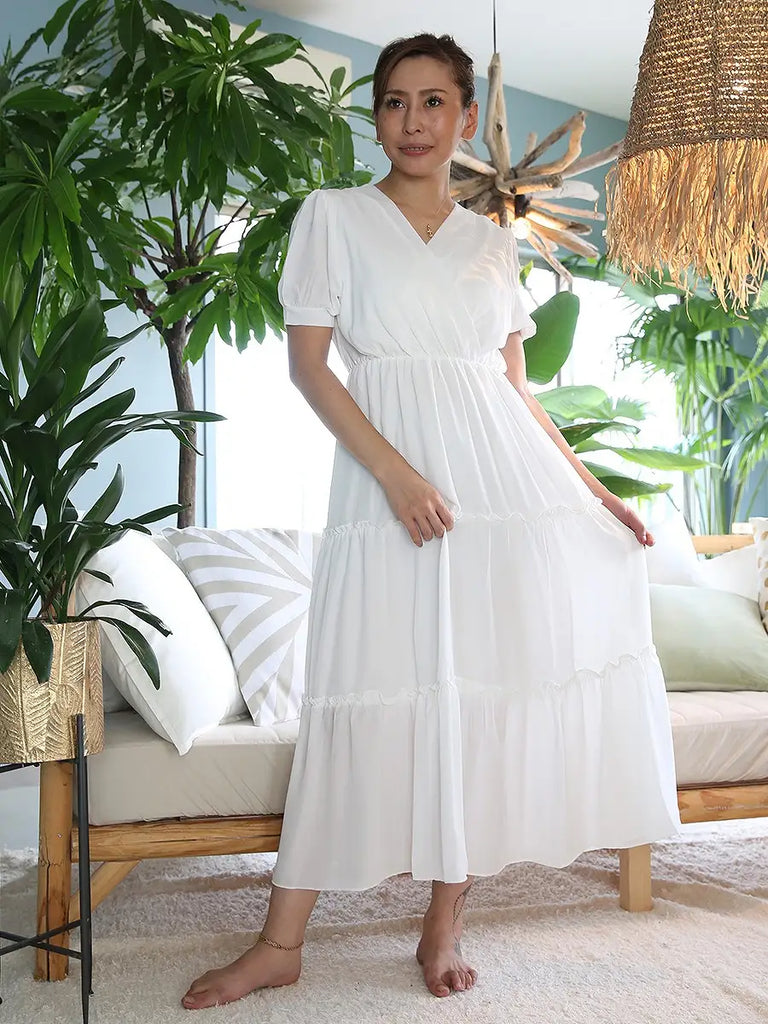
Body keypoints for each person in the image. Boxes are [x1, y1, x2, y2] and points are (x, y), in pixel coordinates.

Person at [182, 32, 682, 1011]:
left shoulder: (494, 243)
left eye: (433, 102)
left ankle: (446, 918)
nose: (412, 122)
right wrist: (398, 476)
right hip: (388, 493)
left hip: (501, 496)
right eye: (394, 102)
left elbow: (516, 393)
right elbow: (310, 368)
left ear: (464, 116)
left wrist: (595, 494)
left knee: (484, 699)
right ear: (377, 117)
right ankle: (281, 944)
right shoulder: (333, 217)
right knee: (356, 689)